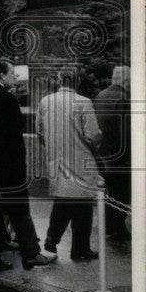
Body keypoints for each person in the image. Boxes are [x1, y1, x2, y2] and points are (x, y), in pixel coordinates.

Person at [0, 58, 55, 273]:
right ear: (1, 75)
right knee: (19, 212)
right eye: (11, 74)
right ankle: (30, 254)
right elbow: (14, 136)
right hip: (8, 168)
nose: (14, 77)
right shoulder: (7, 100)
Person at [38, 72, 103, 260]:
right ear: (78, 82)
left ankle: (51, 240)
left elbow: (40, 131)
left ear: (59, 81)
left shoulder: (45, 101)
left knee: (62, 201)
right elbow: (92, 134)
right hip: (80, 159)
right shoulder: (84, 102)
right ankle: (80, 249)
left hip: (56, 160)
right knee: (83, 206)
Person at [94, 65, 132, 241]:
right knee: (122, 193)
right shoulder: (123, 98)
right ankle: (118, 228)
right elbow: (126, 133)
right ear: (125, 80)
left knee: (109, 193)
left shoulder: (100, 96)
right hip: (119, 158)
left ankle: (110, 226)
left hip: (103, 155)